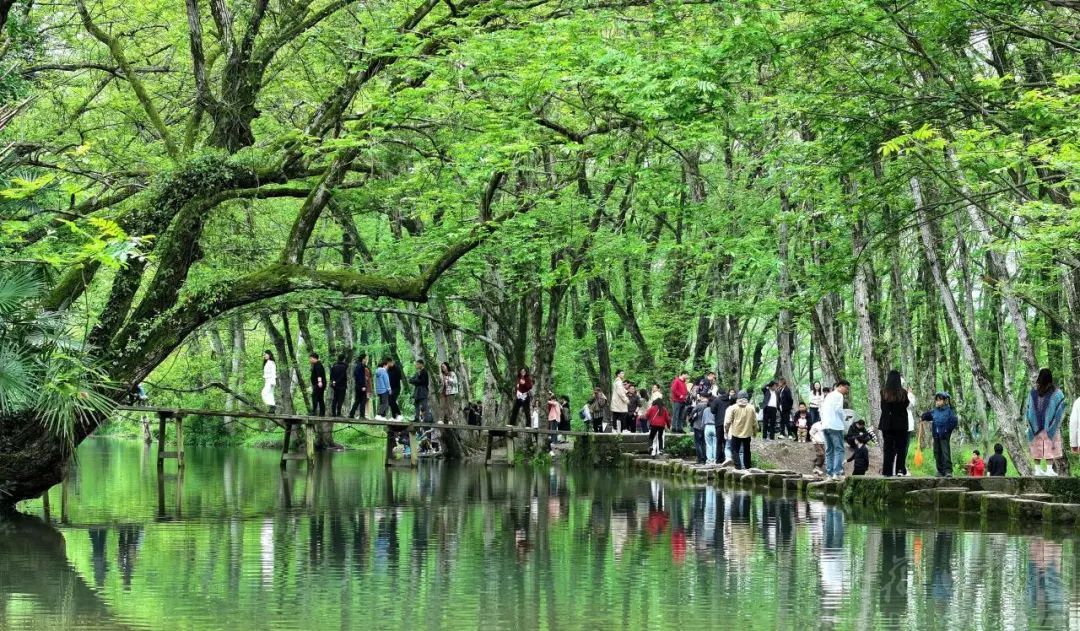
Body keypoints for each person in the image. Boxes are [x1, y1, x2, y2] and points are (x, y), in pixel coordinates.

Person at [1025, 368, 1066, 477]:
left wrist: (1030, 423)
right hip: (1050, 426)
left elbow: (1028, 409)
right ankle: (1048, 470)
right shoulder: (1057, 393)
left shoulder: (1033, 393)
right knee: (1050, 446)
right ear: (1050, 378)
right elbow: (1061, 407)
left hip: (1035, 426)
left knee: (1036, 446)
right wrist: (1056, 422)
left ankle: (1037, 470)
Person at [879, 370, 910, 477]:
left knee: (888, 448)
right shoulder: (903, 393)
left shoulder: (883, 392)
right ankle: (900, 470)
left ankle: (887, 471)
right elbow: (905, 405)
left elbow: (883, 408)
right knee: (901, 448)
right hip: (900, 425)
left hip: (887, 424)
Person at [921, 392, 958, 477]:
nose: (937, 402)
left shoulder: (949, 411)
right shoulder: (935, 411)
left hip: (944, 435)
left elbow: (954, 422)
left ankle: (948, 471)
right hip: (936, 435)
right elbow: (928, 415)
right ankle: (940, 471)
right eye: (936, 400)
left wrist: (946, 430)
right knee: (937, 452)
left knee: (945, 452)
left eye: (939, 400)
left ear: (945, 401)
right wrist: (923, 416)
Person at [821, 379, 850, 481]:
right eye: (846, 388)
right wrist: (845, 417)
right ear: (840, 386)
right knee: (839, 449)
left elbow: (822, 409)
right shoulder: (839, 395)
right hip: (835, 425)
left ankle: (829, 474)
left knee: (829, 450)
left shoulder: (828, 395)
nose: (847, 391)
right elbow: (838, 409)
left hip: (825, 425)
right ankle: (836, 473)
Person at [723, 390, 757, 470]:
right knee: (747, 450)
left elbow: (728, 422)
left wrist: (726, 431)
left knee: (735, 450)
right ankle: (748, 467)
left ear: (738, 397)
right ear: (747, 398)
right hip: (747, 433)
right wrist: (755, 432)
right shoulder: (751, 408)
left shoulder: (733, 408)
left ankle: (738, 467)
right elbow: (754, 422)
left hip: (736, 433)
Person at [689, 394, 709, 464]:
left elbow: (692, 413)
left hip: (697, 425)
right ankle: (705, 458)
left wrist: (691, 418)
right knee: (704, 443)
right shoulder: (709, 405)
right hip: (705, 426)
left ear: (702, 397)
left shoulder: (699, 405)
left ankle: (700, 458)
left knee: (698, 443)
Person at [349, 355, 370, 419]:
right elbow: (359, 377)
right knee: (363, 400)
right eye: (366, 359)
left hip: (359, 386)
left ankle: (351, 414)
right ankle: (362, 416)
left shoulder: (360, 366)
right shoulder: (360, 366)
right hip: (360, 387)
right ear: (363, 359)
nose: (366, 360)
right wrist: (363, 386)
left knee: (358, 401)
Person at [702, 396, 719, 464]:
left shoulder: (705, 410)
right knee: (715, 444)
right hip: (714, 427)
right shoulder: (716, 409)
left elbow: (703, 420)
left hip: (707, 427)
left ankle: (709, 459)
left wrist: (702, 427)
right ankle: (715, 459)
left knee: (708, 444)